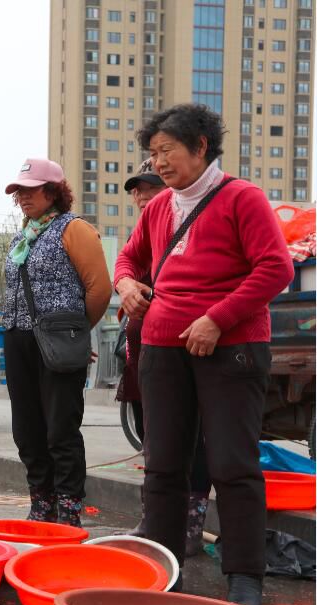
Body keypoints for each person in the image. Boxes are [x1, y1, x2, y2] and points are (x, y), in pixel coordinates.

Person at [114, 103, 293, 605]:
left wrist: (218, 318)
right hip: (162, 349)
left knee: (232, 464)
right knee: (164, 465)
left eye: (167, 151)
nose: (159, 163)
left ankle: (244, 577)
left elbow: (274, 268)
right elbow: (129, 257)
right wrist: (126, 282)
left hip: (231, 348)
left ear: (200, 147)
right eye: (153, 154)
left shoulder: (242, 198)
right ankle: (166, 570)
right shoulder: (156, 208)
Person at [2, 158, 112, 527]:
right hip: (18, 338)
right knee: (27, 427)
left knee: (60, 428)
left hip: (57, 340)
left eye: (31, 190)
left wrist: (76, 332)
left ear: (53, 191)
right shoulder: (22, 236)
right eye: (19, 192)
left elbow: (99, 289)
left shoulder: (74, 228)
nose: (23, 198)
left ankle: (68, 507)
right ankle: (41, 500)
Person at [118, 160, 213, 556]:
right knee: (152, 439)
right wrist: (126, 285)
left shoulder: (199, 227)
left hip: (190, 348)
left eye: (149, 187)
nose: (141, 196)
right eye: (137, 190)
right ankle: (155, 520)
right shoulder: (146, 234)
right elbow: (124, 265)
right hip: (145, 352)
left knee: (196, 441)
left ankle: (190, 521)